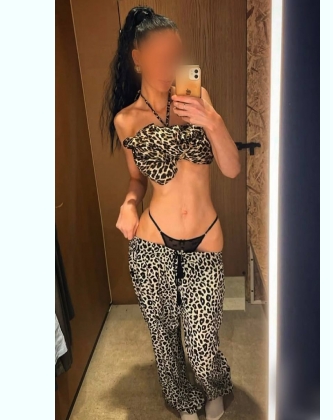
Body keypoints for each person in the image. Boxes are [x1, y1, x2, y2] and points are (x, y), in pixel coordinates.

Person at [101, 6, 240, 420]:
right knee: (164, 339)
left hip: (204, 239)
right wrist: (129, 204)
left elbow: (231, 168)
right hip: (152, 244)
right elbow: (137, 181)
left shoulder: (198, 99)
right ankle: (182, 398)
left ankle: (213, 384)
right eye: (161, 55)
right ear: (138, 58)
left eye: (176, 54)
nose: (172, 63)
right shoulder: (126, 120)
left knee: (201, 343)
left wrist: (211, 120)